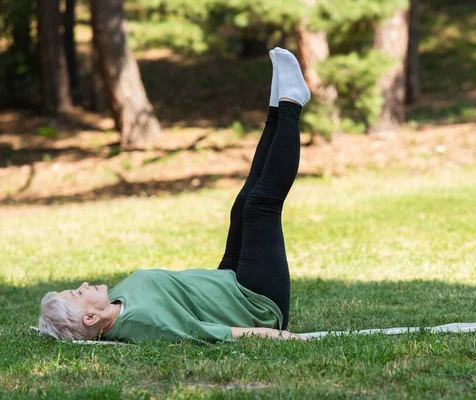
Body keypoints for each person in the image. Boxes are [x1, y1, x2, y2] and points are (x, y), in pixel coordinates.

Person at [38, 47, 311, 343]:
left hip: (227, 283)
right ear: (90, 317)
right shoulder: (146, 324)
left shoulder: (114, 301)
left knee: (243, 204)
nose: (84, 283)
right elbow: (211, 333)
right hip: (255, 301)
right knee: (260, 205)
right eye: (79, 293)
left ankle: (276, 108)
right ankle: (292, 103)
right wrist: (278, 335)